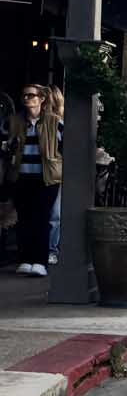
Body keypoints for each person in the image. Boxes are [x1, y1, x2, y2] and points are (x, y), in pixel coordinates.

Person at [5, 84, 62, 277]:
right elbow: (4, 143)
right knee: (24, 219)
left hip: (46, 178)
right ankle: (25, 259)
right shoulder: (14, 121)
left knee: (41, 219)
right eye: (24, 95)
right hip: (21, 176)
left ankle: (40, 261)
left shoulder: (54, 122)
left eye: (31, 95)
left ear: (42, 99)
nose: (27, 98)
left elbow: (66, 146)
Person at [47, 85, 64, 264]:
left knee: (54, 214)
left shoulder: (59, 124)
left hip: (53, 173)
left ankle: (51, 250)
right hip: (34, 172)